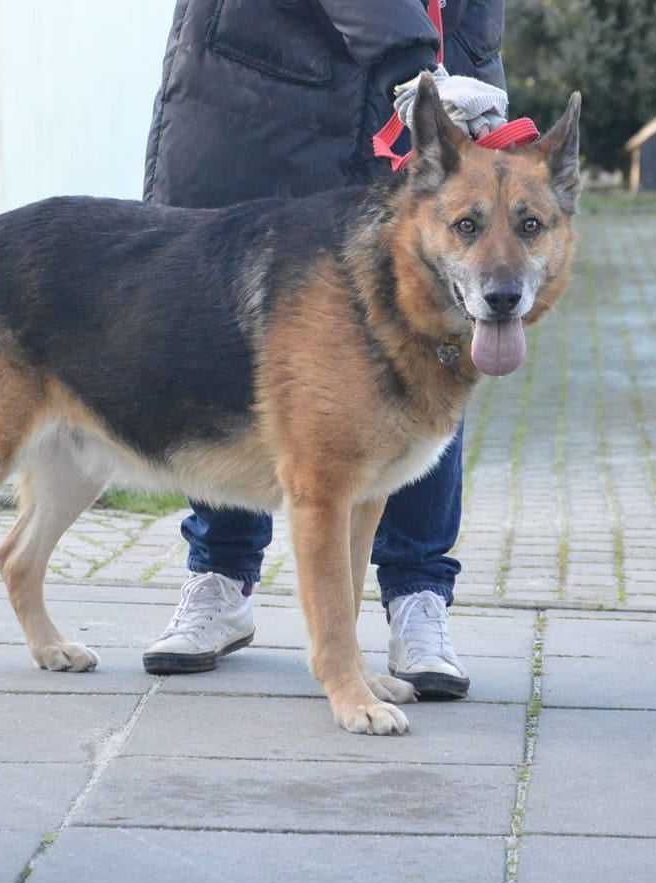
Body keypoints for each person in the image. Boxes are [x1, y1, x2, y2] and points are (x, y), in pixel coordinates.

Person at [141, 0, 509, 699]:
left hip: (431, 106)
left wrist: (465, 82)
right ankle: (219, 574)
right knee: (229, 343)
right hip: (264, 101)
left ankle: (418, 595)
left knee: (437, 341)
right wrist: (416, 65)